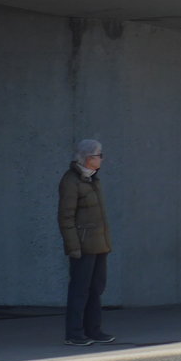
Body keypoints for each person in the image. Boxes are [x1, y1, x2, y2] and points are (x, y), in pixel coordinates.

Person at [58, 139, 114, 346]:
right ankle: (74, 333)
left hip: (99, 245)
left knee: (96, 289)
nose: (102, 159)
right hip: (82, 246)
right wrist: (73, 247)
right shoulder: (71, 181)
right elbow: (66, 217)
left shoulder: (93, 179)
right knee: (79, 290)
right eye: (99, 155)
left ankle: (94, 330)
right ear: (88, 158)